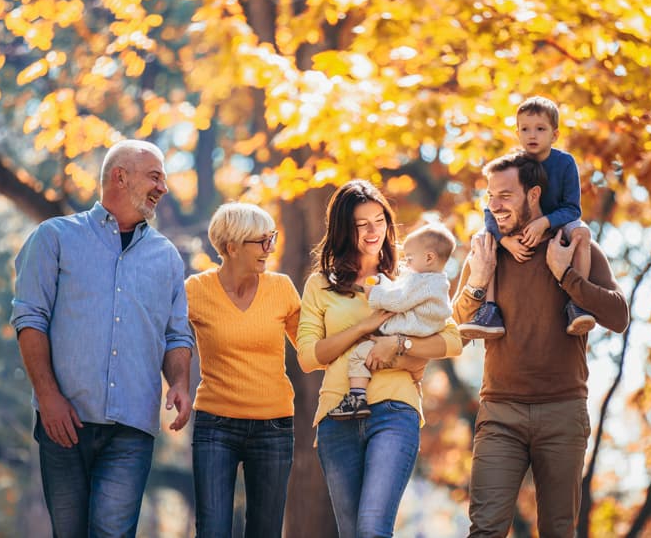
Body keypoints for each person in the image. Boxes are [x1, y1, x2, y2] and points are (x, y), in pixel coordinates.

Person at [10, 139, 194, 537]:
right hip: (64, 422)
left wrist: (179, 381)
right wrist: (48, 398)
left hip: (131, 427)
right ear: (120, 176)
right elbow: (30, 319)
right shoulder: (54, 237)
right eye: (155, 177)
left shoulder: (166, 257)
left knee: (112, 533)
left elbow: (176, 334)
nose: (163, 187)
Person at [453, 151, 629, 537]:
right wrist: (478, 281)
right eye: (490, 196)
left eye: (505, 195)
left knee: (558, 530)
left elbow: (618, 317)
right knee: (485, 529)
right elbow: (454, 328)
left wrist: (566, 275)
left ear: (534, 194)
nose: (494, 206)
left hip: (562, 411)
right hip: (500, 412)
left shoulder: (574, 247)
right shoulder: (486, 252)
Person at [297, 180, 463, 537]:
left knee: (372, 530)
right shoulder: (320, 285)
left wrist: (399, 344)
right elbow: (309, 357)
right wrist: (364, 327)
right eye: (361, 224)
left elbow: (452, 340)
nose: (373, 231)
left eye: (379, 220)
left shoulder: (410, 276)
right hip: (336, 416)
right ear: (344, 229)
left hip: (393, 411)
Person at [185, 202, 300, 538]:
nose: (271, 248)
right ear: (232, 247)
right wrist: (175, 384)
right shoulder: (196, 290)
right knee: (213, 529)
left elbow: (312, 351)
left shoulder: (281, 288)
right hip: (215, 425)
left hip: (274, 427)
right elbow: (168, 339)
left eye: (272, 238)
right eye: (261, 241)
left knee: (266, 531)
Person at [459, 96, 595, 340]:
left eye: (540, 129)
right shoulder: (515, 164)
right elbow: (492, 208)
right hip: (515, 227)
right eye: (525, 129)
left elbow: (573, 209)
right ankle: (489, 310)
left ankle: (577, 303)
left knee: (582, 233)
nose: (532, 135)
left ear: (554, 135)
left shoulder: (565, 163)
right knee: (484, 241)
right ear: (517, 133)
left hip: (558, 223)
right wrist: (503, 239)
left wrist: (545, 222)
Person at [328, 223, 456, 420]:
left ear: (429, 257)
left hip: (410, 330)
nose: (406, 263)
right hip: (422, 333)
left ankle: (356, 399)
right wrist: (384, 282)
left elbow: (398, 300)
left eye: (410, 258)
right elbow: (401, 290)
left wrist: (374, 293)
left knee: (358, 355)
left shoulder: (420, 281)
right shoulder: (437, 281)